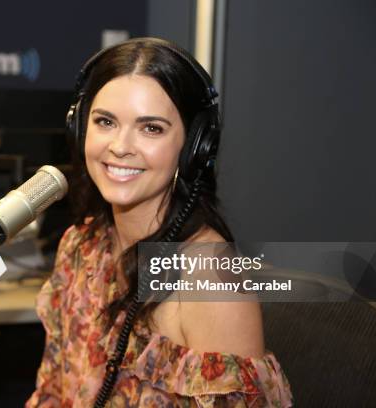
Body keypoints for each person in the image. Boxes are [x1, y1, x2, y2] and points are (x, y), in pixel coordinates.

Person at [26, 37, 293, 407]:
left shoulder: (212, 278)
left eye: (151, 128)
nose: (120, 146)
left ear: (193, 146)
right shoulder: (80, 245)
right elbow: (53, 392)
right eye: (105, 121)